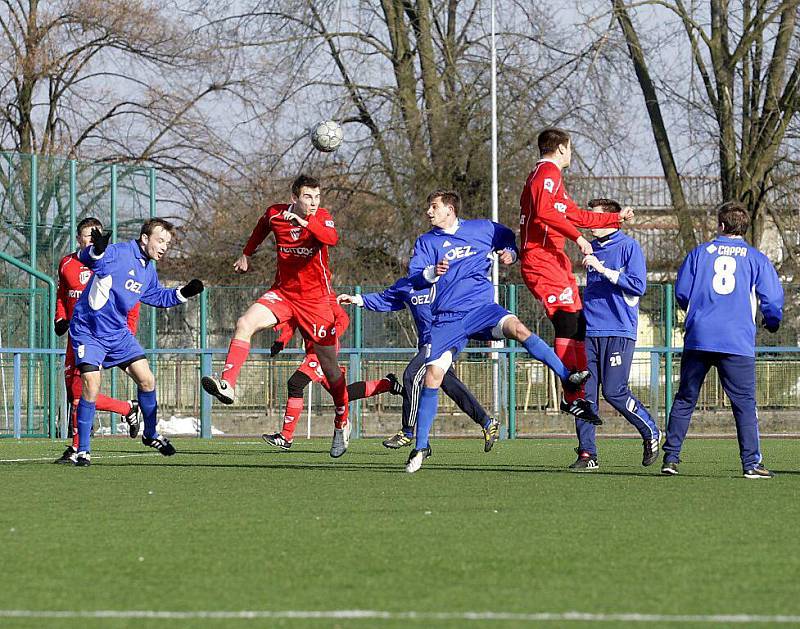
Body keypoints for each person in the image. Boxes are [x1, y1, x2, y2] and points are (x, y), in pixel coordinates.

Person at [403, 189, 591, 473]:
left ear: (450, 210)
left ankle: (568, 378)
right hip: (447, 319)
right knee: (433, 376)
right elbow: (415, 277)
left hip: (482, 309)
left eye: (434, 207)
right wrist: (431, 273)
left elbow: (508, 239)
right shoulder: (427, 242)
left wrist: (511, 254)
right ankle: (420, 447)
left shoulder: (483, 228)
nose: (429, 212)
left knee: (518, 328)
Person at [201, 175, 352, 457]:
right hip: (284, 294)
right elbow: (261, 226)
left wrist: (306, 223)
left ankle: (342, 420)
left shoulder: (322, 218)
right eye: (308, 197)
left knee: (331, 371)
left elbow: (331, 238)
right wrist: (247, 253)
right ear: (294, 197)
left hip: (317, 301)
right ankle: (228, 384)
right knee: (244, 323)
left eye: (317, 198)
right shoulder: (276, 213)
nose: (313, 203)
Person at [519, 128, 634, 424]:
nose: (571, 153)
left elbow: (575, 215)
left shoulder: (552, 180)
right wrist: (579, 239)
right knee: (567, 322)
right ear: (560, 148)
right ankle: (570, 393)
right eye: (569, 147)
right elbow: (545, 213)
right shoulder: (546, 173)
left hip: (553, 260)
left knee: (577, 323)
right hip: (542, 258)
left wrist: (614, 218)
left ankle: (576, 394)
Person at [661, 201, 783, 479]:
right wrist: (772, 321)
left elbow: (682, 292)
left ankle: (671, 458)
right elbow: (772, 299)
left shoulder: (699, 254)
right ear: (744, 227)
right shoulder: (755, 258)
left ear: (720, 225)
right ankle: (751, 463)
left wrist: (696, 312)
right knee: (744, 404)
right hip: (736, 342)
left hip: (699, 337)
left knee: (685, 399)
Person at [68, 218, 205, 466]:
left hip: (117, 333)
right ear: (144, 239)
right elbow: (88, 259)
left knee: (147, 379)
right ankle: (83, 450)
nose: (164, 247)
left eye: (167, 243)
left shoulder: (147, 268)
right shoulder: (120, 252)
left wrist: (184, 292)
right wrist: (97, 249)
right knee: (91, 383)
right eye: (160, 240)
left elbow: (157, 296)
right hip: (89, 330)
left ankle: (150, 434)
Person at [338, 276, 501, 452]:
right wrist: (357, 299)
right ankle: (486, 422)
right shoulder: (408, 284)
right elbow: (386, 298)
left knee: (412, 375)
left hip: (444, 339)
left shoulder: (449, 280)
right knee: (451, 385)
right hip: (427, 343)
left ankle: (407, 432)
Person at [573, 198, 661, 470]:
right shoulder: (590, 247)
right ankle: (588, 454)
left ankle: (651, 431)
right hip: (590, 332)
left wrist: (602, 269)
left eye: (596, 218)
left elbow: (637, 286)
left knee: (614, 391)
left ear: (610, 219)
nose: (591, 223)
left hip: (618, 331)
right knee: (583, 394)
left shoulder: (629, 247)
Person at [52, 218, 142, 464]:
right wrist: (60, 318)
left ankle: (78, 447)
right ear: (79, 238)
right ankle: (126, 409)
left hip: (100, 335)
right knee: (74, 393)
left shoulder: (110, 262)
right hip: (76, 334)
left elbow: (130, 299)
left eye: (96, 236)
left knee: (81, 392)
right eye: (87, 236)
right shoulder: (67, 263)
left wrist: (128, 331)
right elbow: (61, 296)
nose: (92, 240)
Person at [262, 297, 402, 450]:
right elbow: (292, 323)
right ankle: (388, 384)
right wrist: (281, 341)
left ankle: (286, 436)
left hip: (322, 353)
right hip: (313, 352)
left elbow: (343, 318)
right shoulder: (300, 300)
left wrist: (331, 336)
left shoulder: (325, 297)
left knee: (295, 384)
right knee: (344, 394)